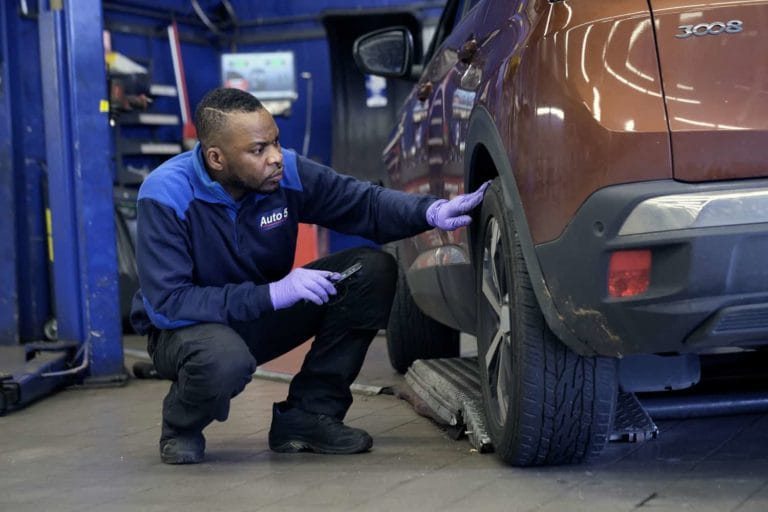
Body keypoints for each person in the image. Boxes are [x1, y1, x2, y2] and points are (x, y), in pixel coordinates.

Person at [130, 87, 491, 464]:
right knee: (223, 359)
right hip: (187, 329)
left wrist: (430, 212)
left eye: (275, 142)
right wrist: (272, 294)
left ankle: (307, 416)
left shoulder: (285, 173)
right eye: (258, 150)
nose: (275, 158)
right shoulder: (165, 194)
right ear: (216, 158)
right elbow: (169, 303)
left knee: (369, 272)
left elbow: (362, 202)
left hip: (258, 311)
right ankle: (180, 425)